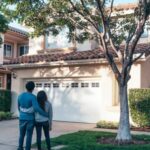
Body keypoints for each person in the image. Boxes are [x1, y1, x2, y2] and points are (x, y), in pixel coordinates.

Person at [17, 81, 48, 150]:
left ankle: (20, 148)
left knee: (21, 134)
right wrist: (46, 114)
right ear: (33, 88)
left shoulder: (20, 96)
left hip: (22, 118)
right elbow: (37, 108)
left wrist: (22, 114)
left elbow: (18, 107)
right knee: (29, 135)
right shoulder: (33, 97)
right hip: (30, 119)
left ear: (26, 87)